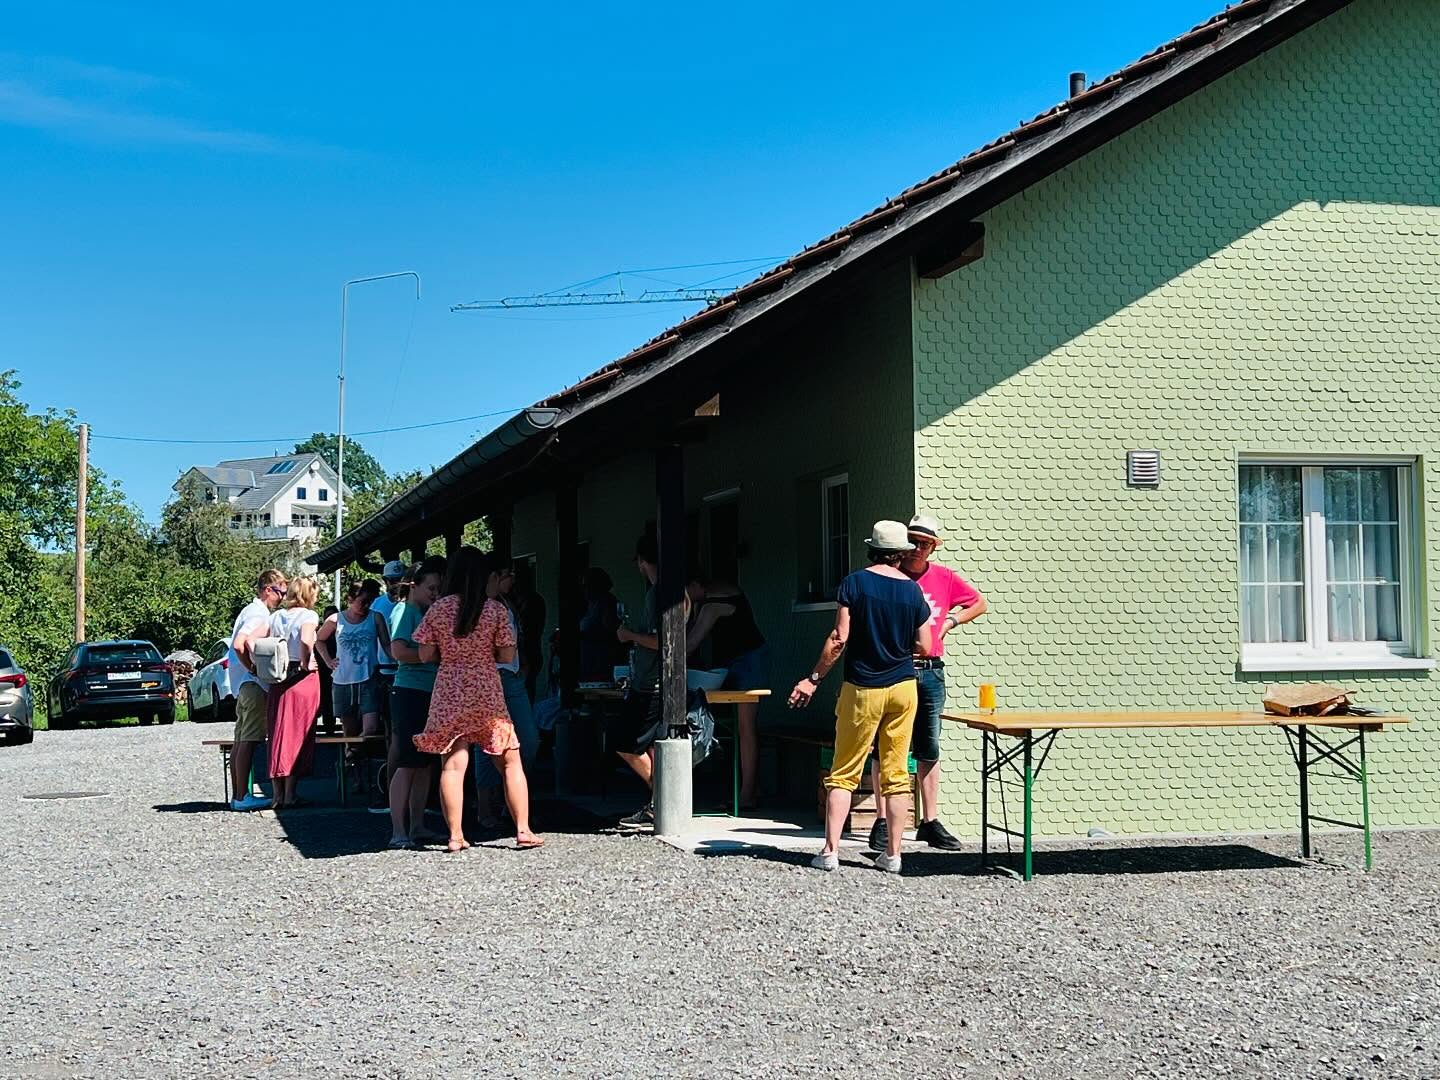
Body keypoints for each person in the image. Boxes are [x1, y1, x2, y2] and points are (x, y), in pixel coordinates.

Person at [789, 521, 930, 874]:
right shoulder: (913, 592)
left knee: (844, 770)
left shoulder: (855, 583)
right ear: (902, 553)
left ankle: (830, 851)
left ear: (873, 549)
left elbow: (839, 638)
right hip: (903, 688)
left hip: (863, 687)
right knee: (897, 774)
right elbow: (926, 645)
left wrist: (813, 679)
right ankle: (894, 856)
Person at [869, 513, 987, 853]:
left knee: (928, 745)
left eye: (925, 543)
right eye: (914, 541)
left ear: (933, 547)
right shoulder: (891, 577)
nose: (918, 548)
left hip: (932, 668)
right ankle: (881, 819)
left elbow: (979, 602)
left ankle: (930, 820)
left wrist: (950, 621)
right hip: (895, 667)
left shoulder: (944, 578)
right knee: (887, 745)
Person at [412, 546, 543, 852]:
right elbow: (508, 654)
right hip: (487, 689)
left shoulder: (439, 609)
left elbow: (425, 653)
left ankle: (455, 836)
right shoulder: (496, 610)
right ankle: (523, 830)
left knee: (453, 766)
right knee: (510, 761)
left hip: (449, 691)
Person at [685, 571, 768, 808]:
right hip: (734, 660)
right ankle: (751, 787)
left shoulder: (713, 605)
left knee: (745, 727)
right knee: (741, 728)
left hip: (749, 660)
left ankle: (748, 794)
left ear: (695, 584)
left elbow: (690, 644)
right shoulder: (721, 590)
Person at [473, 562, 540, 829]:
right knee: (486, 743)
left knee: (529, 739)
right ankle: (486, 806)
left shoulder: (507, 604)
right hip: (489, 676)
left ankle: (510, 800)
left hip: (512, 677)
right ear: (492, 576)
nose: (512, 579)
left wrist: (521, 663)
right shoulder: (476, 605)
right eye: (507, 574)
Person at [386, 555, 447, 849]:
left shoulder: (425, 612)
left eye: (439, 589)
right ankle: (398, 829)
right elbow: (397, 650)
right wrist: (430, 656)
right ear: (414, 586)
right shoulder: (405, 611)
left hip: (429, 691)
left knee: (425, 763)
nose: (436, 594)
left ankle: (418, 825)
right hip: (409, 691)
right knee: (408, 762)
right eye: (431, 588)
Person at [611, 534, 667, 832]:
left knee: (625, 741)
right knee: (650, 745)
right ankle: (660, 802)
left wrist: (630, 636)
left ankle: (662, 802)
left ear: (642, 562)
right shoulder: (672, 592)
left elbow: (662, 641)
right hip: (655, 679)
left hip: (652, 682)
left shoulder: (659, 594)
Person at [226, 568, 288, 811]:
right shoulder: (260, 614)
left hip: (242, 685)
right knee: (249, 740)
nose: (282, 597)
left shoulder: (248, 610)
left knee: (241, 740)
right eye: (280, 592)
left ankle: (239, 794)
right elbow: (241, 643)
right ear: (267, 590)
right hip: (252, 685)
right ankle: (243, 796)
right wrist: (253, 668)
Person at [264, 575, 321, 810]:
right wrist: (307, 662)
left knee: (278, 733)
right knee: (298, 733)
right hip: (301, 678)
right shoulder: (308, 616)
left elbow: (260, 642)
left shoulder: (276, 616)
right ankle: (290, 794)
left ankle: (277, 794)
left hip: (279, 677)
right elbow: (307, 640)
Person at [314, 580, 391, 743]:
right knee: (349, 730)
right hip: (343, 680)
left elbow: (388, 646)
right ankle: (351, 757)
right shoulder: (336, 619)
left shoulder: (375, 617)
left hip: (369, 678)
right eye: (362, 602)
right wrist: (328, 660)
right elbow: (319, 640)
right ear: (350, 599)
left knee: (370, 727)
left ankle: (359, 751)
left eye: (369, 602)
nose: (366, 606)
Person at [578, 567, 622, 682]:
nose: (584, 590)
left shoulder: (607, 602)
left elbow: (610, 634)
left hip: (600, 664)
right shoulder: (589, 605)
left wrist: (581, 635)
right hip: (589, 662)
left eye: (586, 585)